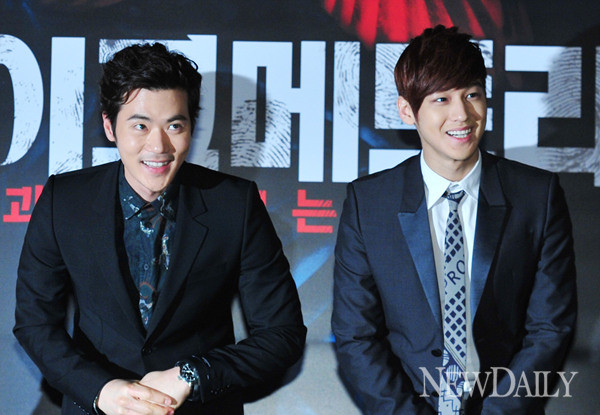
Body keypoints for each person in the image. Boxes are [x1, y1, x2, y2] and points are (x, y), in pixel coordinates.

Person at [14, 42, 306, 415]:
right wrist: (101, 390)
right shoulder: (65, 201)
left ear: (191, 128)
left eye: (174, 125)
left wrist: (193, 375)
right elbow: (35, 324)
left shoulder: (235, 205)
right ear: (109, 126)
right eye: (140, 125)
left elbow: (282, 334)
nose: (158, 145)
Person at [331, 25, 576, 414]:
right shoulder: (369, 204)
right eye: (441, 99)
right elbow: (355, 335)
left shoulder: (536, 197)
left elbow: (550, 328)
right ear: (407, 111)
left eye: (472, 94)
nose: (462, 114)